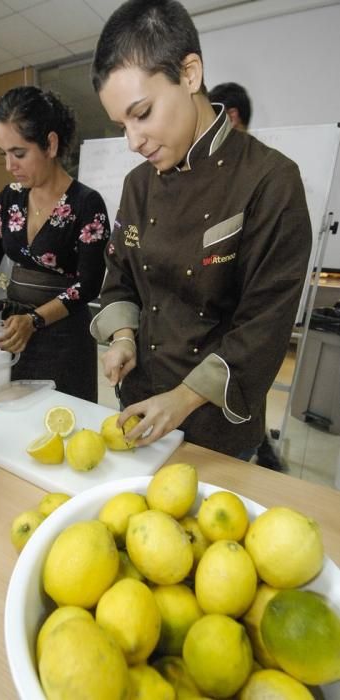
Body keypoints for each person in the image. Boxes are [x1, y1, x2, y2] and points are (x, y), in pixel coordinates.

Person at [89, 0, 312, 458]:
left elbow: (263, 329)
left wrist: (182, 401)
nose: (133, 142)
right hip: (139, 406)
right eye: (121, 125)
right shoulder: (138, 185)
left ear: (189, 74)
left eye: (142, 112)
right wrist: (124, 338)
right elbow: (120, 278)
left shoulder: (270, 181)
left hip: (215, 422)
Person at [0, 86, 110, 402]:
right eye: (3, 154)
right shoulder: (10, 197)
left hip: (64, 336)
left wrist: (36, 319)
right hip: (14, 333)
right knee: (18, 421)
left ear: (51, 144)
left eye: (19, 153)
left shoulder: (86, 203)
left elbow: (89, 283)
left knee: (63, 421)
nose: (9, 166)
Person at [208, 80, 284, 470]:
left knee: (249, 376)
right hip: (209, 348)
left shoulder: (265, 177)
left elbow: (261, 314)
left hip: (234, 329)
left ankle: (258, 441)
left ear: (230, 115)